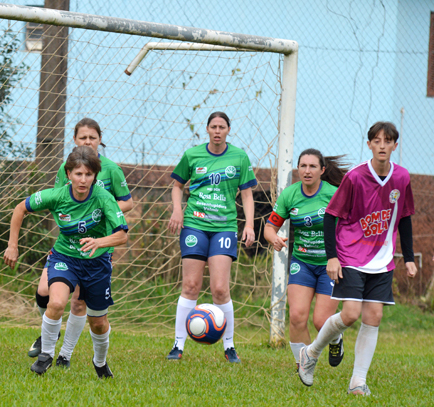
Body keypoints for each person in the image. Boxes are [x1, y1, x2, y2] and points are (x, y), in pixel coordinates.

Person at [298, 122, 417, 396]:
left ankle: (357, 382)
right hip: (350, 254)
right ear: (369, 145)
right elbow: (330, 216)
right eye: (377, 140)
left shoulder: (402, 178)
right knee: (351, 314)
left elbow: (406, 217)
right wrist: (332, 257)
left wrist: (408, 257)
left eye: (388, 141)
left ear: (395, 146)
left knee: (373, 316)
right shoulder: (354, 177)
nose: (383, 145)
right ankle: (311, 353)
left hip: (382, 258)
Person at [5, 145, 128, 377]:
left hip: (97, 264)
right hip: (65, 257)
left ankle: (100, 362)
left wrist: (99, 242)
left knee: (98, 322)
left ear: (95, 176)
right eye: (78, 174)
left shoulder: (104, 198)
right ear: (68, 174)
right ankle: (46, 355)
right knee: (56, 303)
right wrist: (13, 245)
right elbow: (20, 208)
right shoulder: (58, 195)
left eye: (88, 174)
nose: (83, 180)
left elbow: (122, 235)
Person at [28, 118, 133, 368]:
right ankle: (47, 337)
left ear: (100, 140)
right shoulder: (67, 168)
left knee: (79, 303)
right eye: (83, 138)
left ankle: (64, 354)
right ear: (75, 140)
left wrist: (100, 211)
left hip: (99, 244)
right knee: (45, 292)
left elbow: (127, 203)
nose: (88, 141)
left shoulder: (111, 170)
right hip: (68, 242)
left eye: (92, 138)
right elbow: (58, 200)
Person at [167, 111, 256, 363]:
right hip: (194, 225)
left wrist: (249, 224)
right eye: (213, 126)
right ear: (206, 129)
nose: (217, 131)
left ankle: (229, 347)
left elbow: (247, 194)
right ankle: (178, 345)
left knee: (219, 289)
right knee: (191, 286)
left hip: (224, 227)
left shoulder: (239, 157)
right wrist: (177, 210)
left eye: (222, 127)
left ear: (228, 130)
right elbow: (177, 186)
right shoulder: (192, 155)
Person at [264, 149, 348, 371]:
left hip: (329, 265)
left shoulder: (334, 194)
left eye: (312, 166)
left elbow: (352, 226)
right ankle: (304, 365)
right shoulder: (290, 195)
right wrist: (274, 239)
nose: (307, 171)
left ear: (322, 170)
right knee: (297, 316)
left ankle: (335, 339)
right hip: (302, 262)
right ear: (298, 169)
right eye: (303, 166)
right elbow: (269, 227)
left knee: (321, 322)